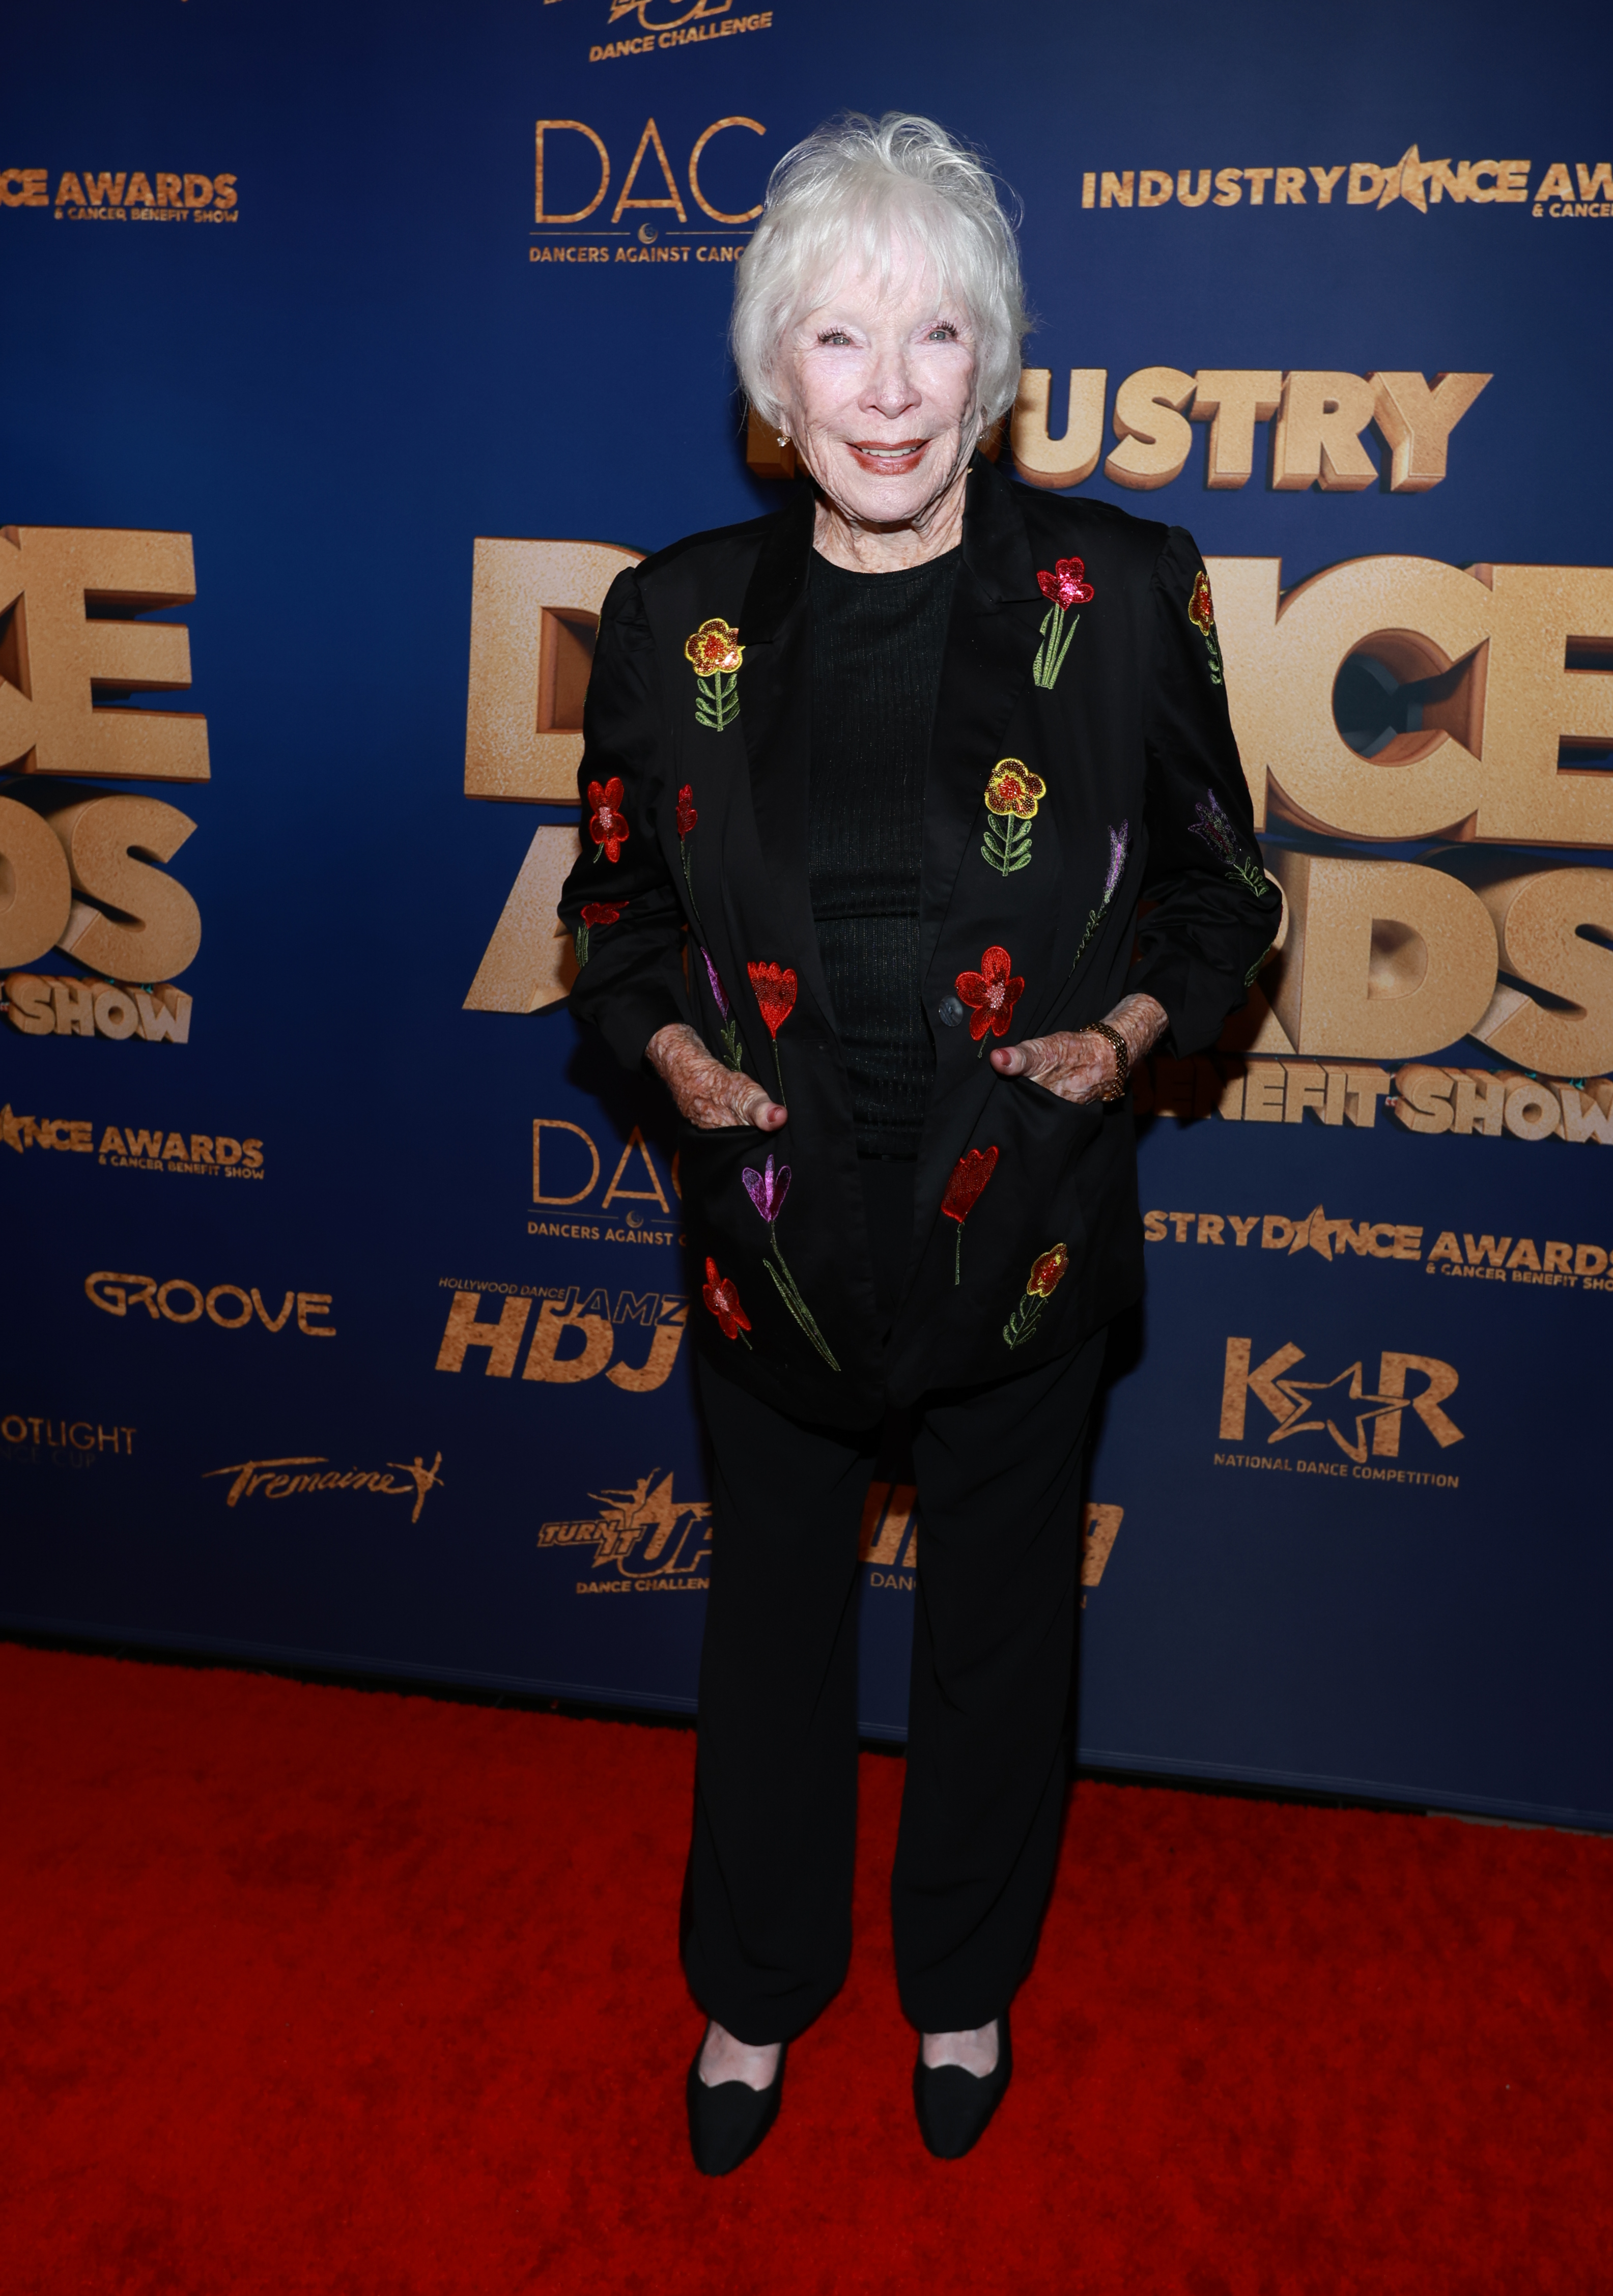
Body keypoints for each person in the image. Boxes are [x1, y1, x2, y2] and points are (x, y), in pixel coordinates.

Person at [559, 112, 1278, 2174]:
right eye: (840, 342)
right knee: (767, 1627)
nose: (888, 390)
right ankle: (755, 1991)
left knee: (995, 1630)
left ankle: (958, 1979)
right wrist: (672, 1060)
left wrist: (1128, 1032)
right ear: (771, 384)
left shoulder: (1122, 592)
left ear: (996, 364)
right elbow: (606, 917)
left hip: (1023, 1230)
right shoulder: (670, 615)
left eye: (935, 336)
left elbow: (1223, 893)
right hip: (771, 1233)